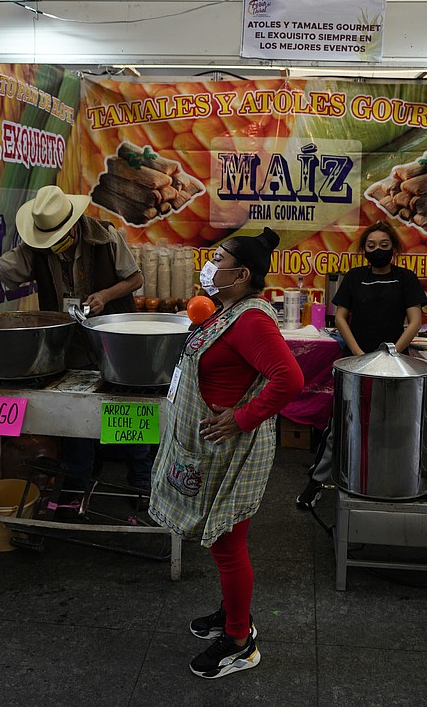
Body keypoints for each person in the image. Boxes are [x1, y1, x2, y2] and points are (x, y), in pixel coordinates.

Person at [148, 226, 303, 679]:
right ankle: (231, 611)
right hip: (206, 447)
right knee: (221, 542)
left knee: (228, 544)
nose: (211, 264)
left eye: (219, 258)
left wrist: (240, 418)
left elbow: (289, 379)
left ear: (243, 274)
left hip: (229, 449)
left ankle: (239, 640)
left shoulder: (252, 318)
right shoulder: (228, 309)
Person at [0, 185, 147, 489]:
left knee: (124, 408)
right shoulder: (36, 249)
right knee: (75, 416)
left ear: (73, 227)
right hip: (71, 343)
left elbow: (136, 278)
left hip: (112, 339)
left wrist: (104, 295)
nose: (53, 245)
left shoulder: (106, 237)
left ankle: (140, 479)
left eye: (58, 239)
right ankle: (78, 484)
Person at [296, 220, 427, 509]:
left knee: (389, 424)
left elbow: (415, 321)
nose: (377, 250)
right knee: (340, 424)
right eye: (371, 246)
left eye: (383, 245)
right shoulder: (355, 277)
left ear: (393, 248)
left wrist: (392, 352)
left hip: (395, 365)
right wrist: (358, 355)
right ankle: (316, 483)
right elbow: (341, 317)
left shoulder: (406, 278)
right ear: (363, 250)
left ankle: (387, 481)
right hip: (355, 363)